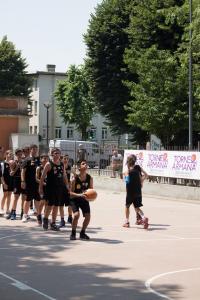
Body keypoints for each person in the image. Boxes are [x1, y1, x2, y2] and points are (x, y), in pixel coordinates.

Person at [39, 148, 70, 231]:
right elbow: (42, 177)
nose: (57, 155)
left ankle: (53, 223)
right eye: (55, 153)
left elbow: (64, 176)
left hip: (59, 187)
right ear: (52, 154)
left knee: (56, 206)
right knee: (50, 205)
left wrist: (67, 185)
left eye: (58, 153)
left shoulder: (62, 164)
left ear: (60, 154)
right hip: (51, 188)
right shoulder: (49, 164)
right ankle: (45, 219)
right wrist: (40, 188)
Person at [123, 154, 149, 229]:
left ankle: (127, 222)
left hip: (130, 192)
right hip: (138, 191)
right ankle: (143, 218)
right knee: (137, 207)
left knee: (127, 206)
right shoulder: (138, 169)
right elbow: (146, 175)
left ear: (128, 161)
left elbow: (127, 181)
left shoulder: (128, 171)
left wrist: (125, 175)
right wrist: (141, 182)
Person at [69, 159, 93, 240]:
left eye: (86, 163)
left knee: (88, 217)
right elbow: (70, 193)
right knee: (76, 215)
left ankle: (82, 233)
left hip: (84, 199)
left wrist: (91, 196)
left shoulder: (90, 178)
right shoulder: (75, 178)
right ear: (79, 167)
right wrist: (79, 195)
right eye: (83, 164)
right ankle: (73, 233)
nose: (85, 165)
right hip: (75, 199)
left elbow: (91, 190)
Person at [21, 144, 41, 223]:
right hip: (29, 183)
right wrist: (23, 181)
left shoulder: (39, 159)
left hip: (37, 183)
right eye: (33, 149)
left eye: (36, 149)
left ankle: (39, 216)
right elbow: (23, 171)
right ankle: (25, 215)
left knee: (37, 199)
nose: (35, 150)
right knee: (28, 199)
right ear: (30, 150)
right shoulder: (27, 159)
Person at [59, 154, 73, 227]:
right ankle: (62, 220)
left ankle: (70, 217)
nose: (66, 160)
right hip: (61, 188)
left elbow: (72, 176)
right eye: (64, 158)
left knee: (70, 204)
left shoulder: (70, 167)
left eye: (67, 158)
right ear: (61, 159)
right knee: (60, 205)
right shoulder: (59, 167)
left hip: (68, 188)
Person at [0, 150, 14, 216]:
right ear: (6, 155)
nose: (11, 155)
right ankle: (1, 209)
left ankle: (7, 209)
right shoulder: (2, 164)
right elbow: (1, 175)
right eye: (9, 154)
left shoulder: (13, 163)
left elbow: (13, 173)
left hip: (11, 181)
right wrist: (3, 183)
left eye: (11, 154)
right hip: (5, 182)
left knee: (9, 195)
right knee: (5, 195)